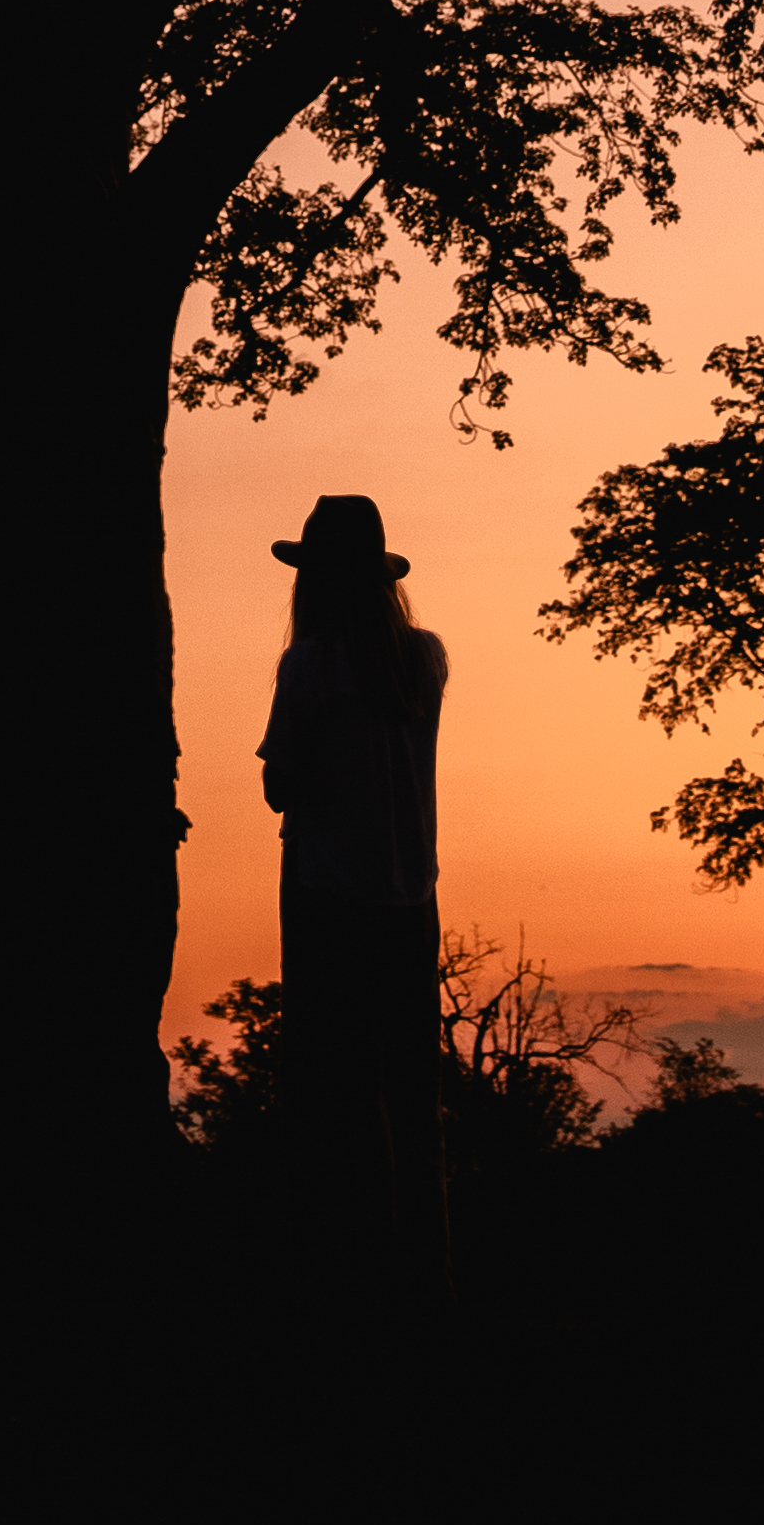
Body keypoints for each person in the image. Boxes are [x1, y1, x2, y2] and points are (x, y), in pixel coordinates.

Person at [259, 493, 446, 1242]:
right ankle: (422, 1257)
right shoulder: (423, 657)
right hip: (412, 892)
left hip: (326, 892)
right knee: (409, 1085)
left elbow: (280, 785)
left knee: (332, 1087)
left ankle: (345, 1252)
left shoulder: (307, 665)